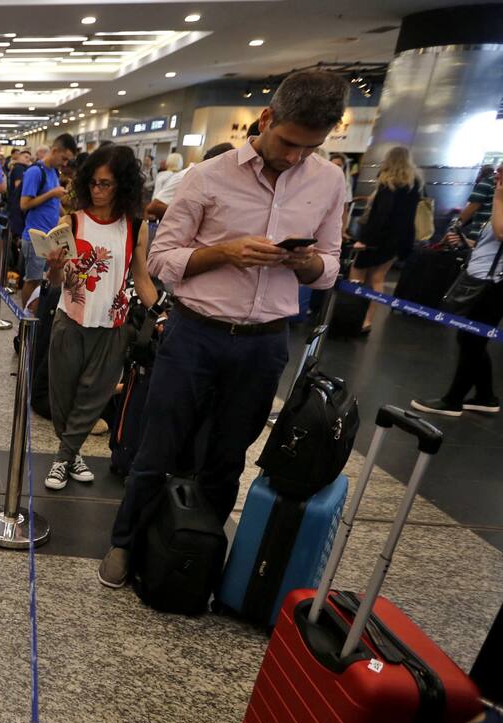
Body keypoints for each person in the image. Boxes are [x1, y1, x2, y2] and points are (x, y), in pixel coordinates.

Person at [98, 70, 349, 589]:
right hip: (195, 332)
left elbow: (329, 265)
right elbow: (163, 259)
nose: (296, 156)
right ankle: (124, 542)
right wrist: (225, 253)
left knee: (228, 455)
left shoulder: (327, 181)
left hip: (265, 341)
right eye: (288, 142)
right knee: (158, 448)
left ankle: (199, 552)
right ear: (266, 118)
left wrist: (302, 262)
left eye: (310, 147)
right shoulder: (208, 176)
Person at [42, 145, 159, 490]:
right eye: (92, 182)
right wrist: (53, 267)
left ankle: (63, 458)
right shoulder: (71, 222)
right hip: (71, 318)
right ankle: (72, 454)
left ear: (122, 184)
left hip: (113, 323)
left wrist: (160, 313)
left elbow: (141, 277)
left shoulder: (135, 226)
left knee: (95, 395)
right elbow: (56, 281)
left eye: (105, 183)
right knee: (63, 395)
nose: (97, 190)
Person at [412, 167, 503, 417]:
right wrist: (466, 242)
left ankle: (453, 400)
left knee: (472, 339)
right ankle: (485, 396)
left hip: (494, 284)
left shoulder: (499, 202)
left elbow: (501, 233)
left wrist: (498, 198)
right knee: (471, 338)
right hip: (482, 277)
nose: (497, 177)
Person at [349, 146, 423, 333]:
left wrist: (365, 240)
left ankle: (350, 316)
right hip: (396, 240)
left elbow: (381, 215)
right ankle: (367, 320)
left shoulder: (387, 184)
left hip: (376, 239)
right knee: (378, 278)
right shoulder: (414, 185)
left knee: (356, 275)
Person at [19, 134, 80, 306]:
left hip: (51, 236)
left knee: (46, 281)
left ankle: (37, 313)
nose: (65, 163)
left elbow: (54, 204)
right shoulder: (35, 172)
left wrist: (69, 217)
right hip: (35, 236)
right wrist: (52, 193)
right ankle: (26, 316)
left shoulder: (53, 172)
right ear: (54, 151)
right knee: (33, 280)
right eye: (64, 158)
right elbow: (24, 204)